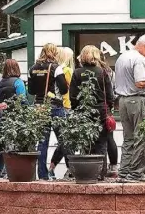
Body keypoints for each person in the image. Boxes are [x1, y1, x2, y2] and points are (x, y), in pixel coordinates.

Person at [114, 34, 145, 183]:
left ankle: (124, 172)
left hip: (122, 101)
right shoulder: (139, 59)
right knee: (142, 138)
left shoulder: (122, 57)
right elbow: (140, 83)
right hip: (137, 100)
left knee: (128, 138)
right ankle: (135, 174)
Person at [69, 45, 115, 180]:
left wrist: (77, 110)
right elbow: (110, 95)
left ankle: (87, 172)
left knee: (86, 141)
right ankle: (101, 174)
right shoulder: (103, 72)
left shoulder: (77, 73)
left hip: (83, 110)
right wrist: (109, 109)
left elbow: (73, 96)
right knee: (102, 143)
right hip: (101, 110)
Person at [28, 43, 69, 180]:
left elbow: (31, 91)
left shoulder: (32, 68)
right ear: (54, 53)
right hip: (55, 105)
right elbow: (64, 90)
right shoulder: (56, 68)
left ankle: (42, 174)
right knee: (64, 140)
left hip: (39, 106)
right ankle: (72, 171)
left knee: (42, 142)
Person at [47, 47, 76, 180]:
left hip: (56, 105)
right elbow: (70, 90)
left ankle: (52, 167)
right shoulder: (67, 71)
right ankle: (71, 169)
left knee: (63, 141)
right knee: (67, 140)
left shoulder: (55, 70)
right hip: (66, 107)